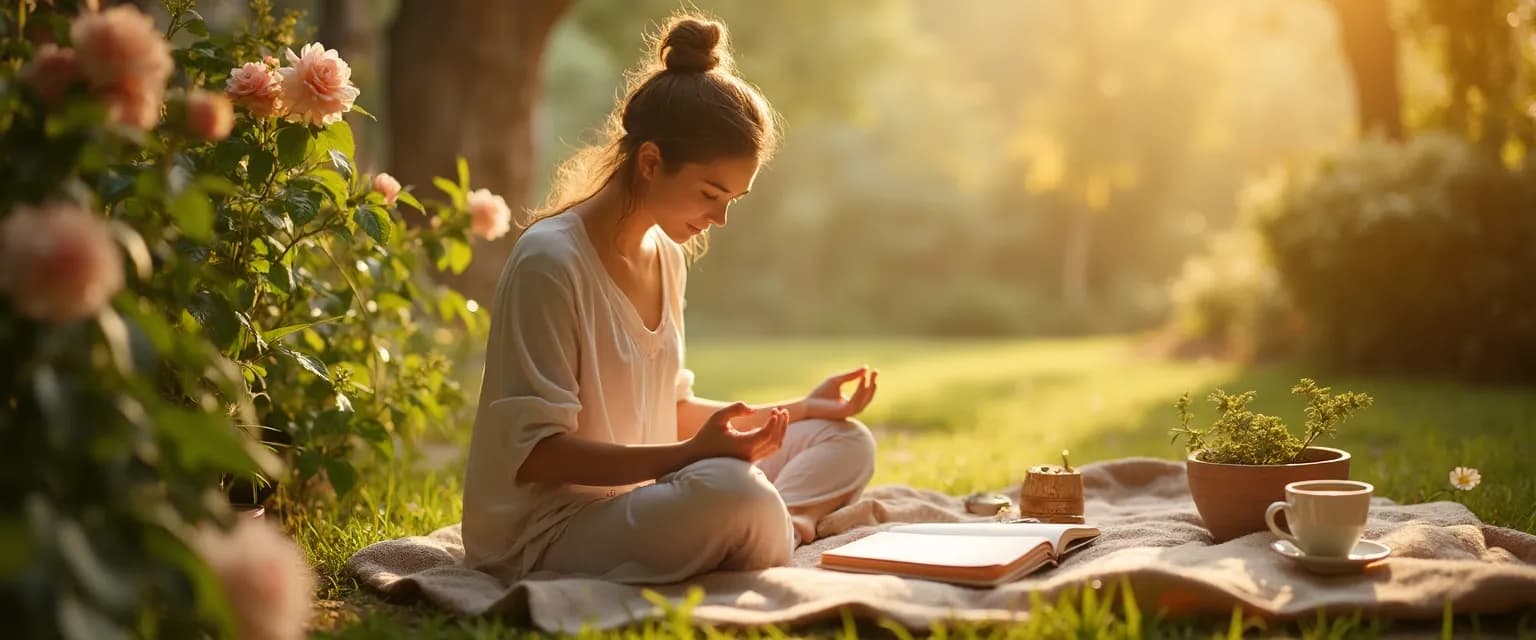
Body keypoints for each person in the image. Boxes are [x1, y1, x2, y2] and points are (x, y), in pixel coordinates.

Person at [461, 14, 880, 585]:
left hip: (642, 498)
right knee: (732, 492)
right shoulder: (551, 262)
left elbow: (669, 412)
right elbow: (538, 456)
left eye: (733, 198)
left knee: (842, 440)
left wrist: (803, 410)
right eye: (711, 193)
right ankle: (767, 526)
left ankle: (780, 527)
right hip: (547, 532)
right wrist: (686, 457)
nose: (721, 218)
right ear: (651, 162)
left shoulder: (667, 255)